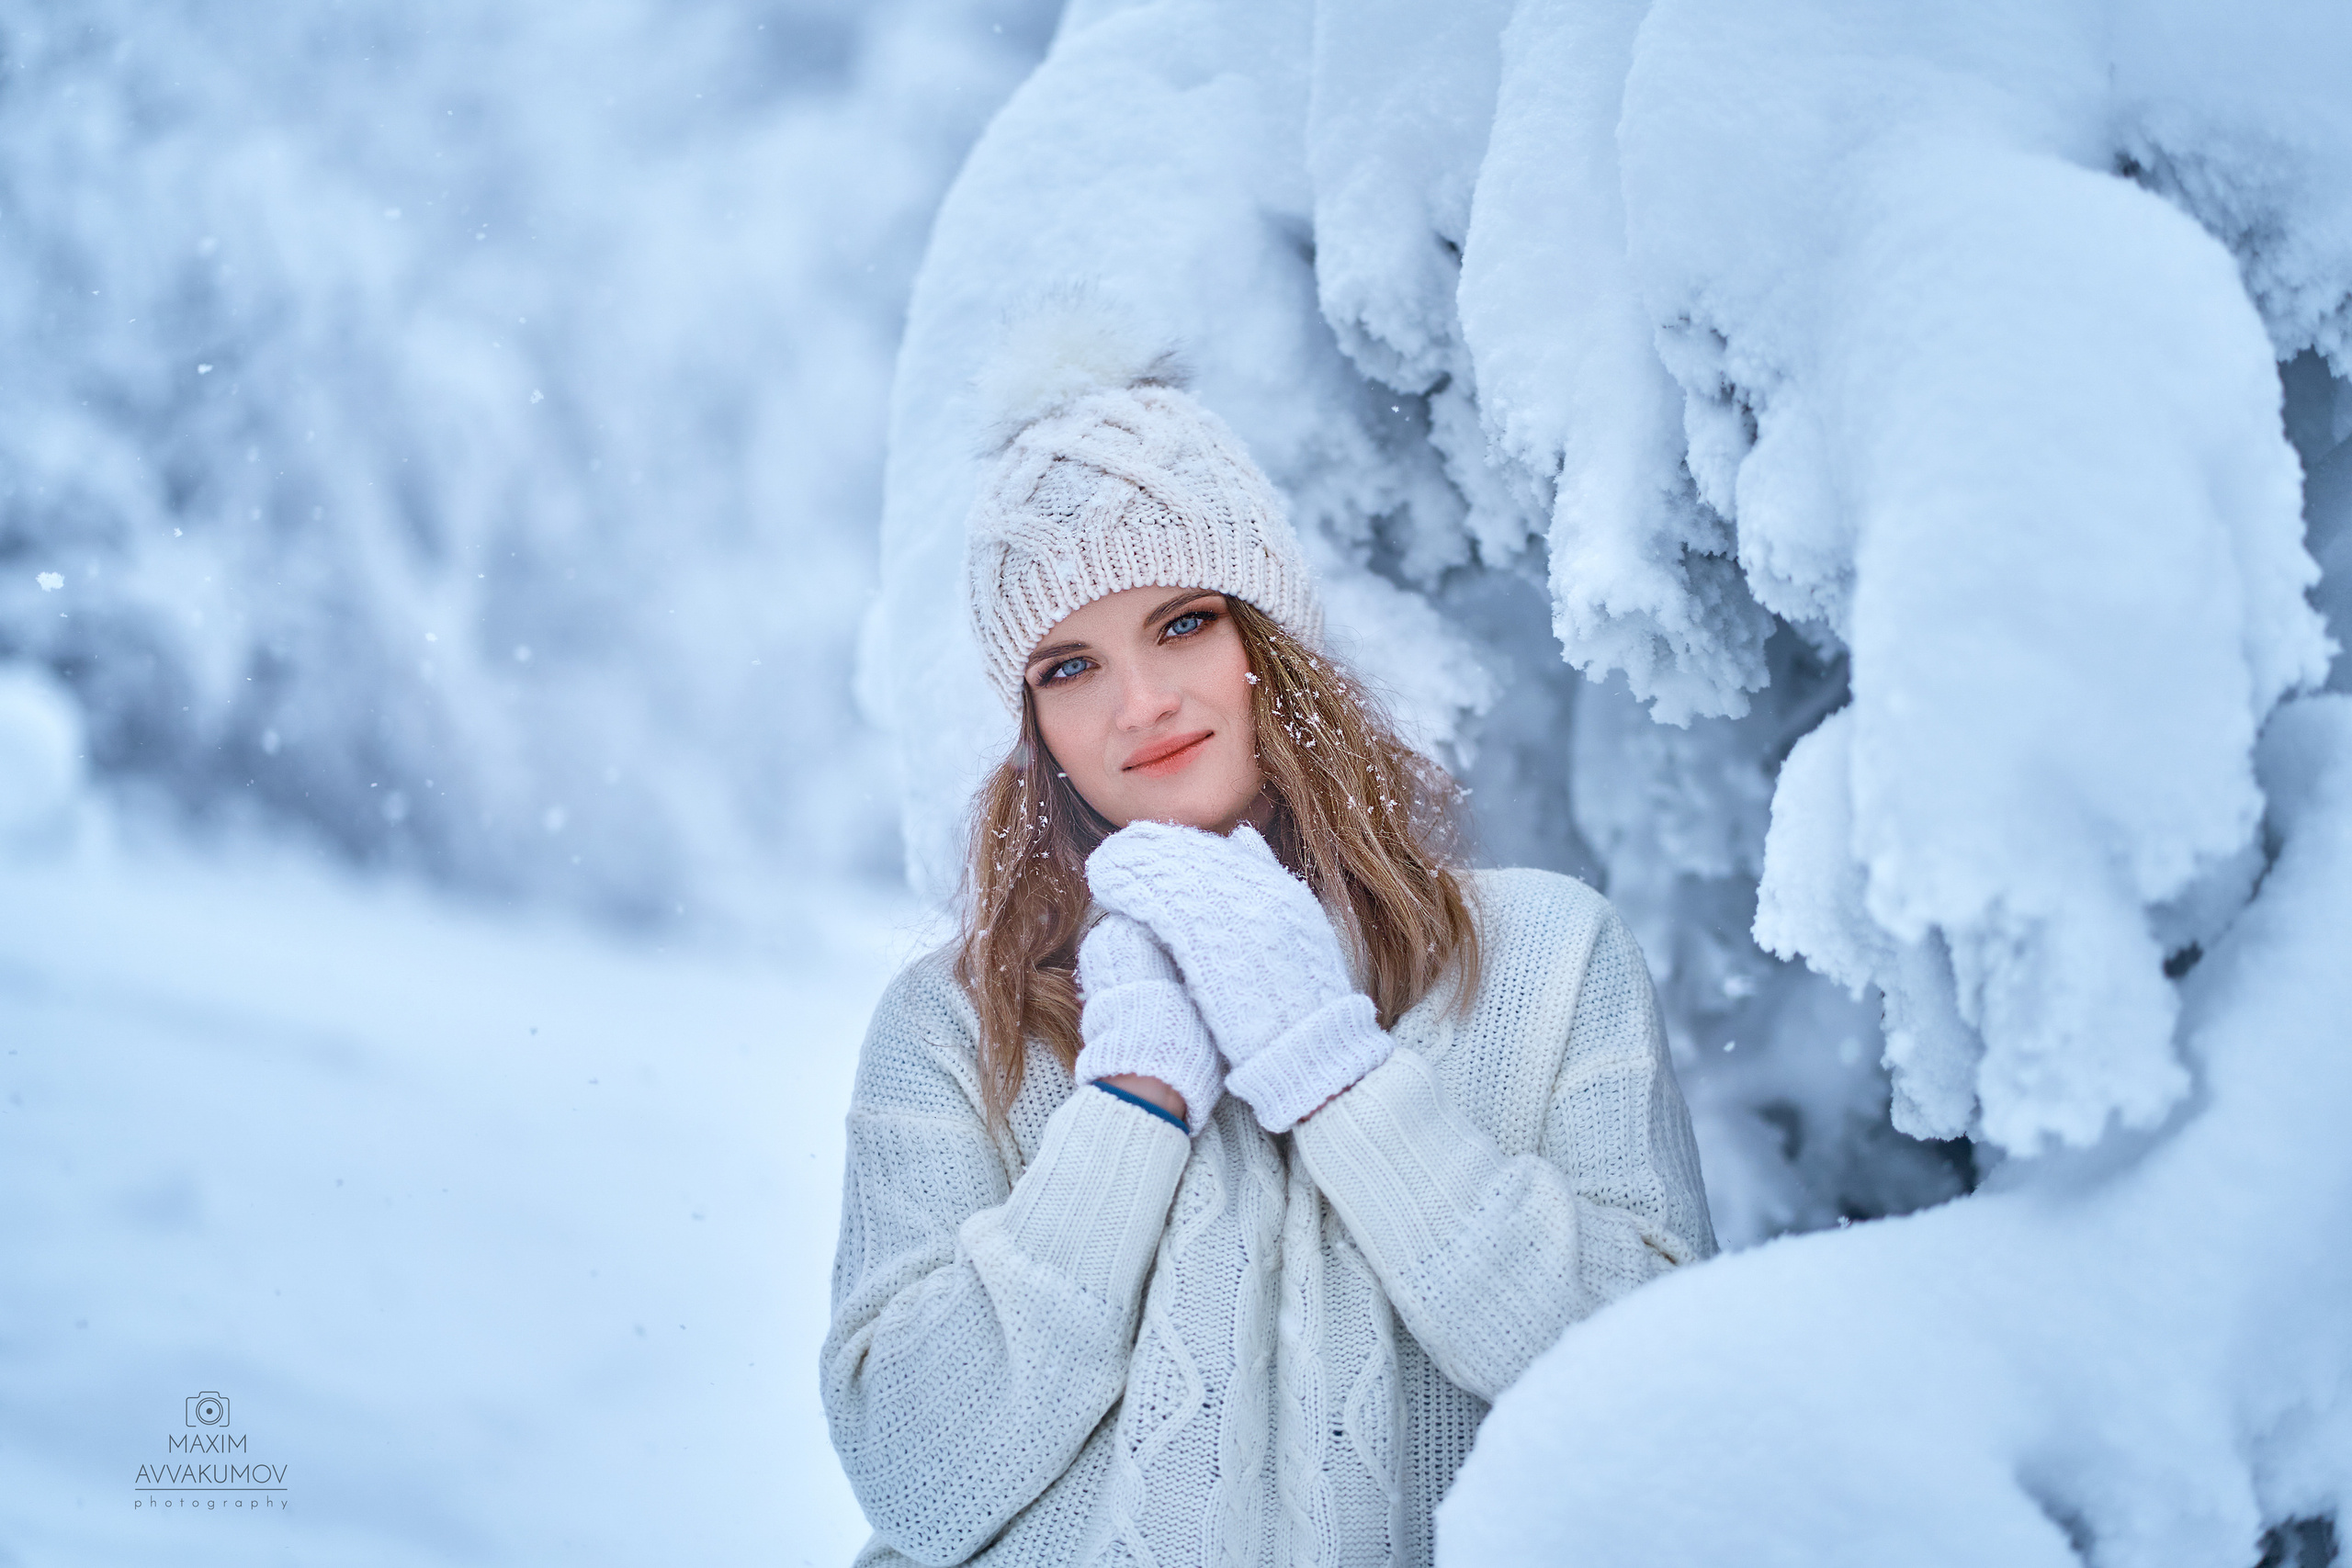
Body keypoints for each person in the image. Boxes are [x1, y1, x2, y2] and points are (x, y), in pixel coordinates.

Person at [822, 350, 1716, 1568]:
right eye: (1069, 667)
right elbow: (914, 1482)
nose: (1139, 703)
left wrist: (1335, 1071)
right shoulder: (951, 1026)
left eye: (1183, 622)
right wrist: (1130, 1099)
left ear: (1267, 648)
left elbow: (1654, 1405)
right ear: (1037, 730)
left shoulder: (1546, 960)